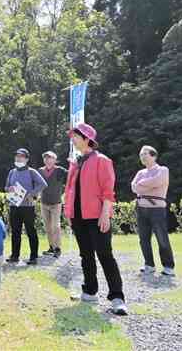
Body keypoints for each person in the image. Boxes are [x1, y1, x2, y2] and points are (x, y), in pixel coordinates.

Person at [65, 123, 128, 315]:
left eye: (76, 136)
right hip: (78, 217)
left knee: (104, 254)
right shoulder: (76, 163)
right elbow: (70, 190)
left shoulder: (102, 160)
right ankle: (90, 291)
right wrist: (69, 213)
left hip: (96, 216)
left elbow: (108, 190)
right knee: (85, 255)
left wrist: (105, 213)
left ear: (87, 139)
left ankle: (117, 297)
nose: (73, 139)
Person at [131, 145, 175, 276]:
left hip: (157, 209)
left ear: (154, 155)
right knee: (143, 238)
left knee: (162, 238)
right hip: (141, 208)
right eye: (141, 155)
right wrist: (144, 186)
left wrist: (141, 185)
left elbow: (157, 181)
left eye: (145, 154)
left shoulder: (162, 170)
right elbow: (134, 187)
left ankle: (168, 266)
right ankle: (149, 264)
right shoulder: (140, 173)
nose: (142, 157)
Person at [4, 148, 47, 265]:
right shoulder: (12, 172)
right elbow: (6, 187)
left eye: (21, 156)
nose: (18, 158)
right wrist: (9, 189)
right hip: (14, 205)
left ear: (27, 159)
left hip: (28, 207)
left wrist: (31, 194)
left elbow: (43, 184)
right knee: (15, 231)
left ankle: (33, 257)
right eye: (17, 156)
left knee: (30, 231)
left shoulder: (31, 171)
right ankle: (14, 256)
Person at [39, 151, 67, 257]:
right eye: (46, 158)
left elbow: (72, 177)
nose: (48, 160)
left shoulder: (59, 170)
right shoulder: (40, 171)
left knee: (56, 226)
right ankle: (51, 247)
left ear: (54, 160)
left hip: (56, 203)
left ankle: (57, 248)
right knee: (47, 227)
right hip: (44, 203)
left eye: (50, 158)